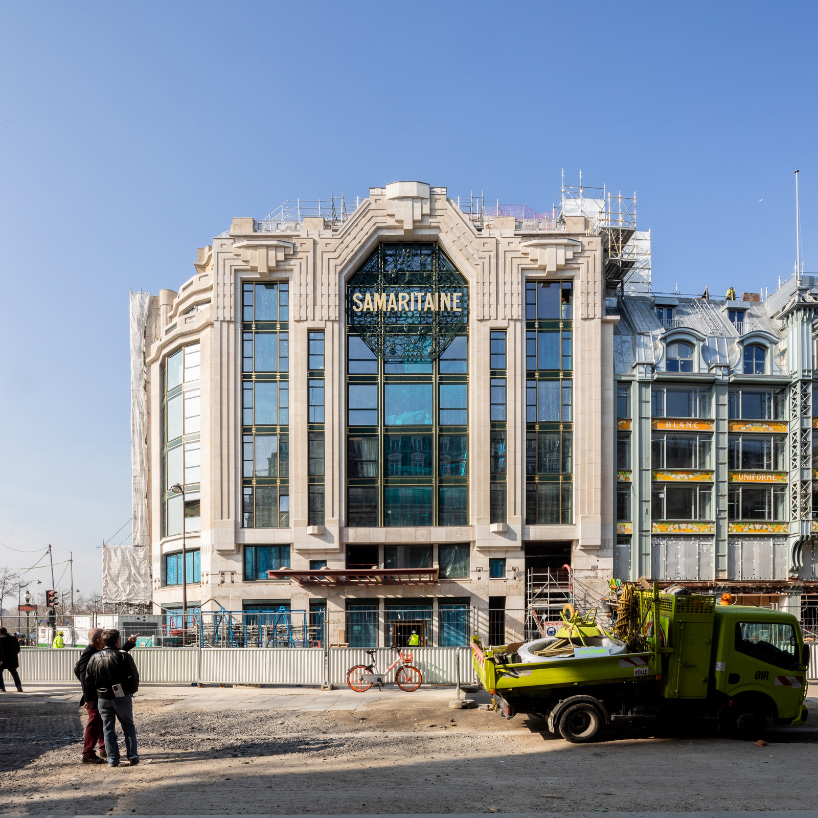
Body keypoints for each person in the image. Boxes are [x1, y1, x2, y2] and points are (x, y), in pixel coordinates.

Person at [75, 628, 138, 764]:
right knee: (107, 724)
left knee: (106, 726)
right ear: (99, 640)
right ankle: (90, 752)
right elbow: (83, 676)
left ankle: (110, 755)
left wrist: (128, 644)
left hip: (101, 695)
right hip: (102, 696)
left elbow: (112, 656)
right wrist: (89, 698)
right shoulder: (89, 653)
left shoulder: (95, 655)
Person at [0, 626, 23, 692]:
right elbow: (18, 649)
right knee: (14, 673)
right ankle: (19, 687)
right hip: (12, 659)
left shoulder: (0, 639)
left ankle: (2, 688)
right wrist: (13, 655)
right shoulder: (14, 639)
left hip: (3, 660)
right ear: (6, 631)